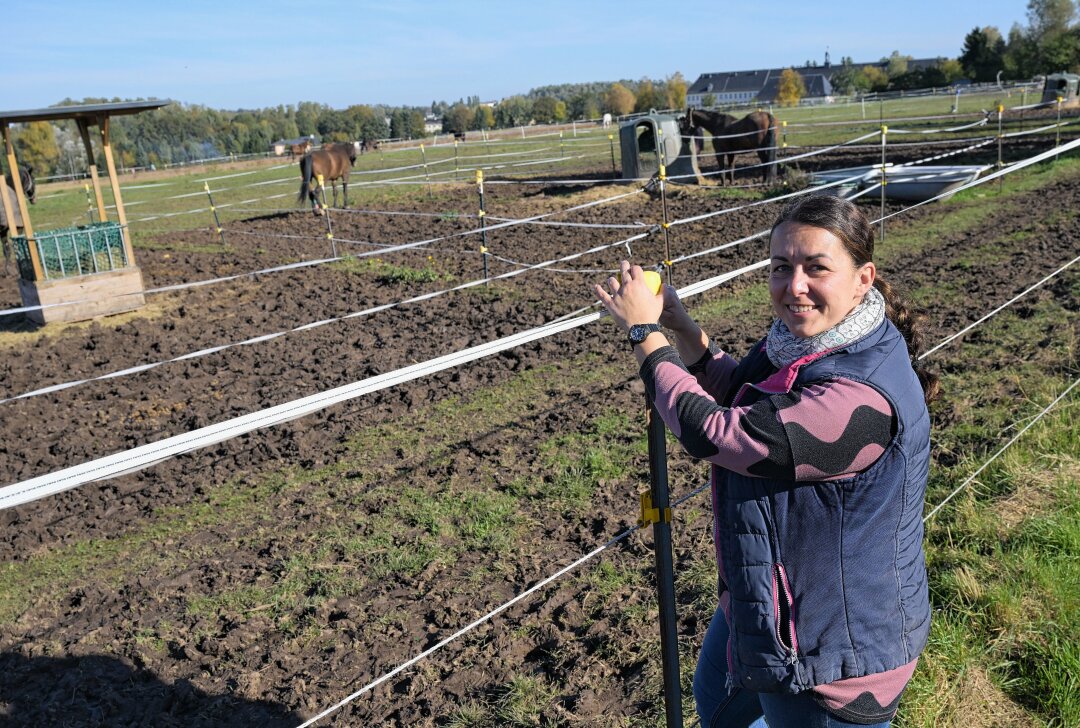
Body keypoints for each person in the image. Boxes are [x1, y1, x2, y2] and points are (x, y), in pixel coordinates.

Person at [593, 195, 938, 727]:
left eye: (816, 268)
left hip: (830, 659)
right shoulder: (808, 342)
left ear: (863, 277)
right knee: (717, 704)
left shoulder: (859, 400)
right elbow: (741, 394)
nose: (794, 285)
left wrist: (646, 335)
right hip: (769, 603)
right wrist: (683, 330)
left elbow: (718, 433)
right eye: (781, 267)